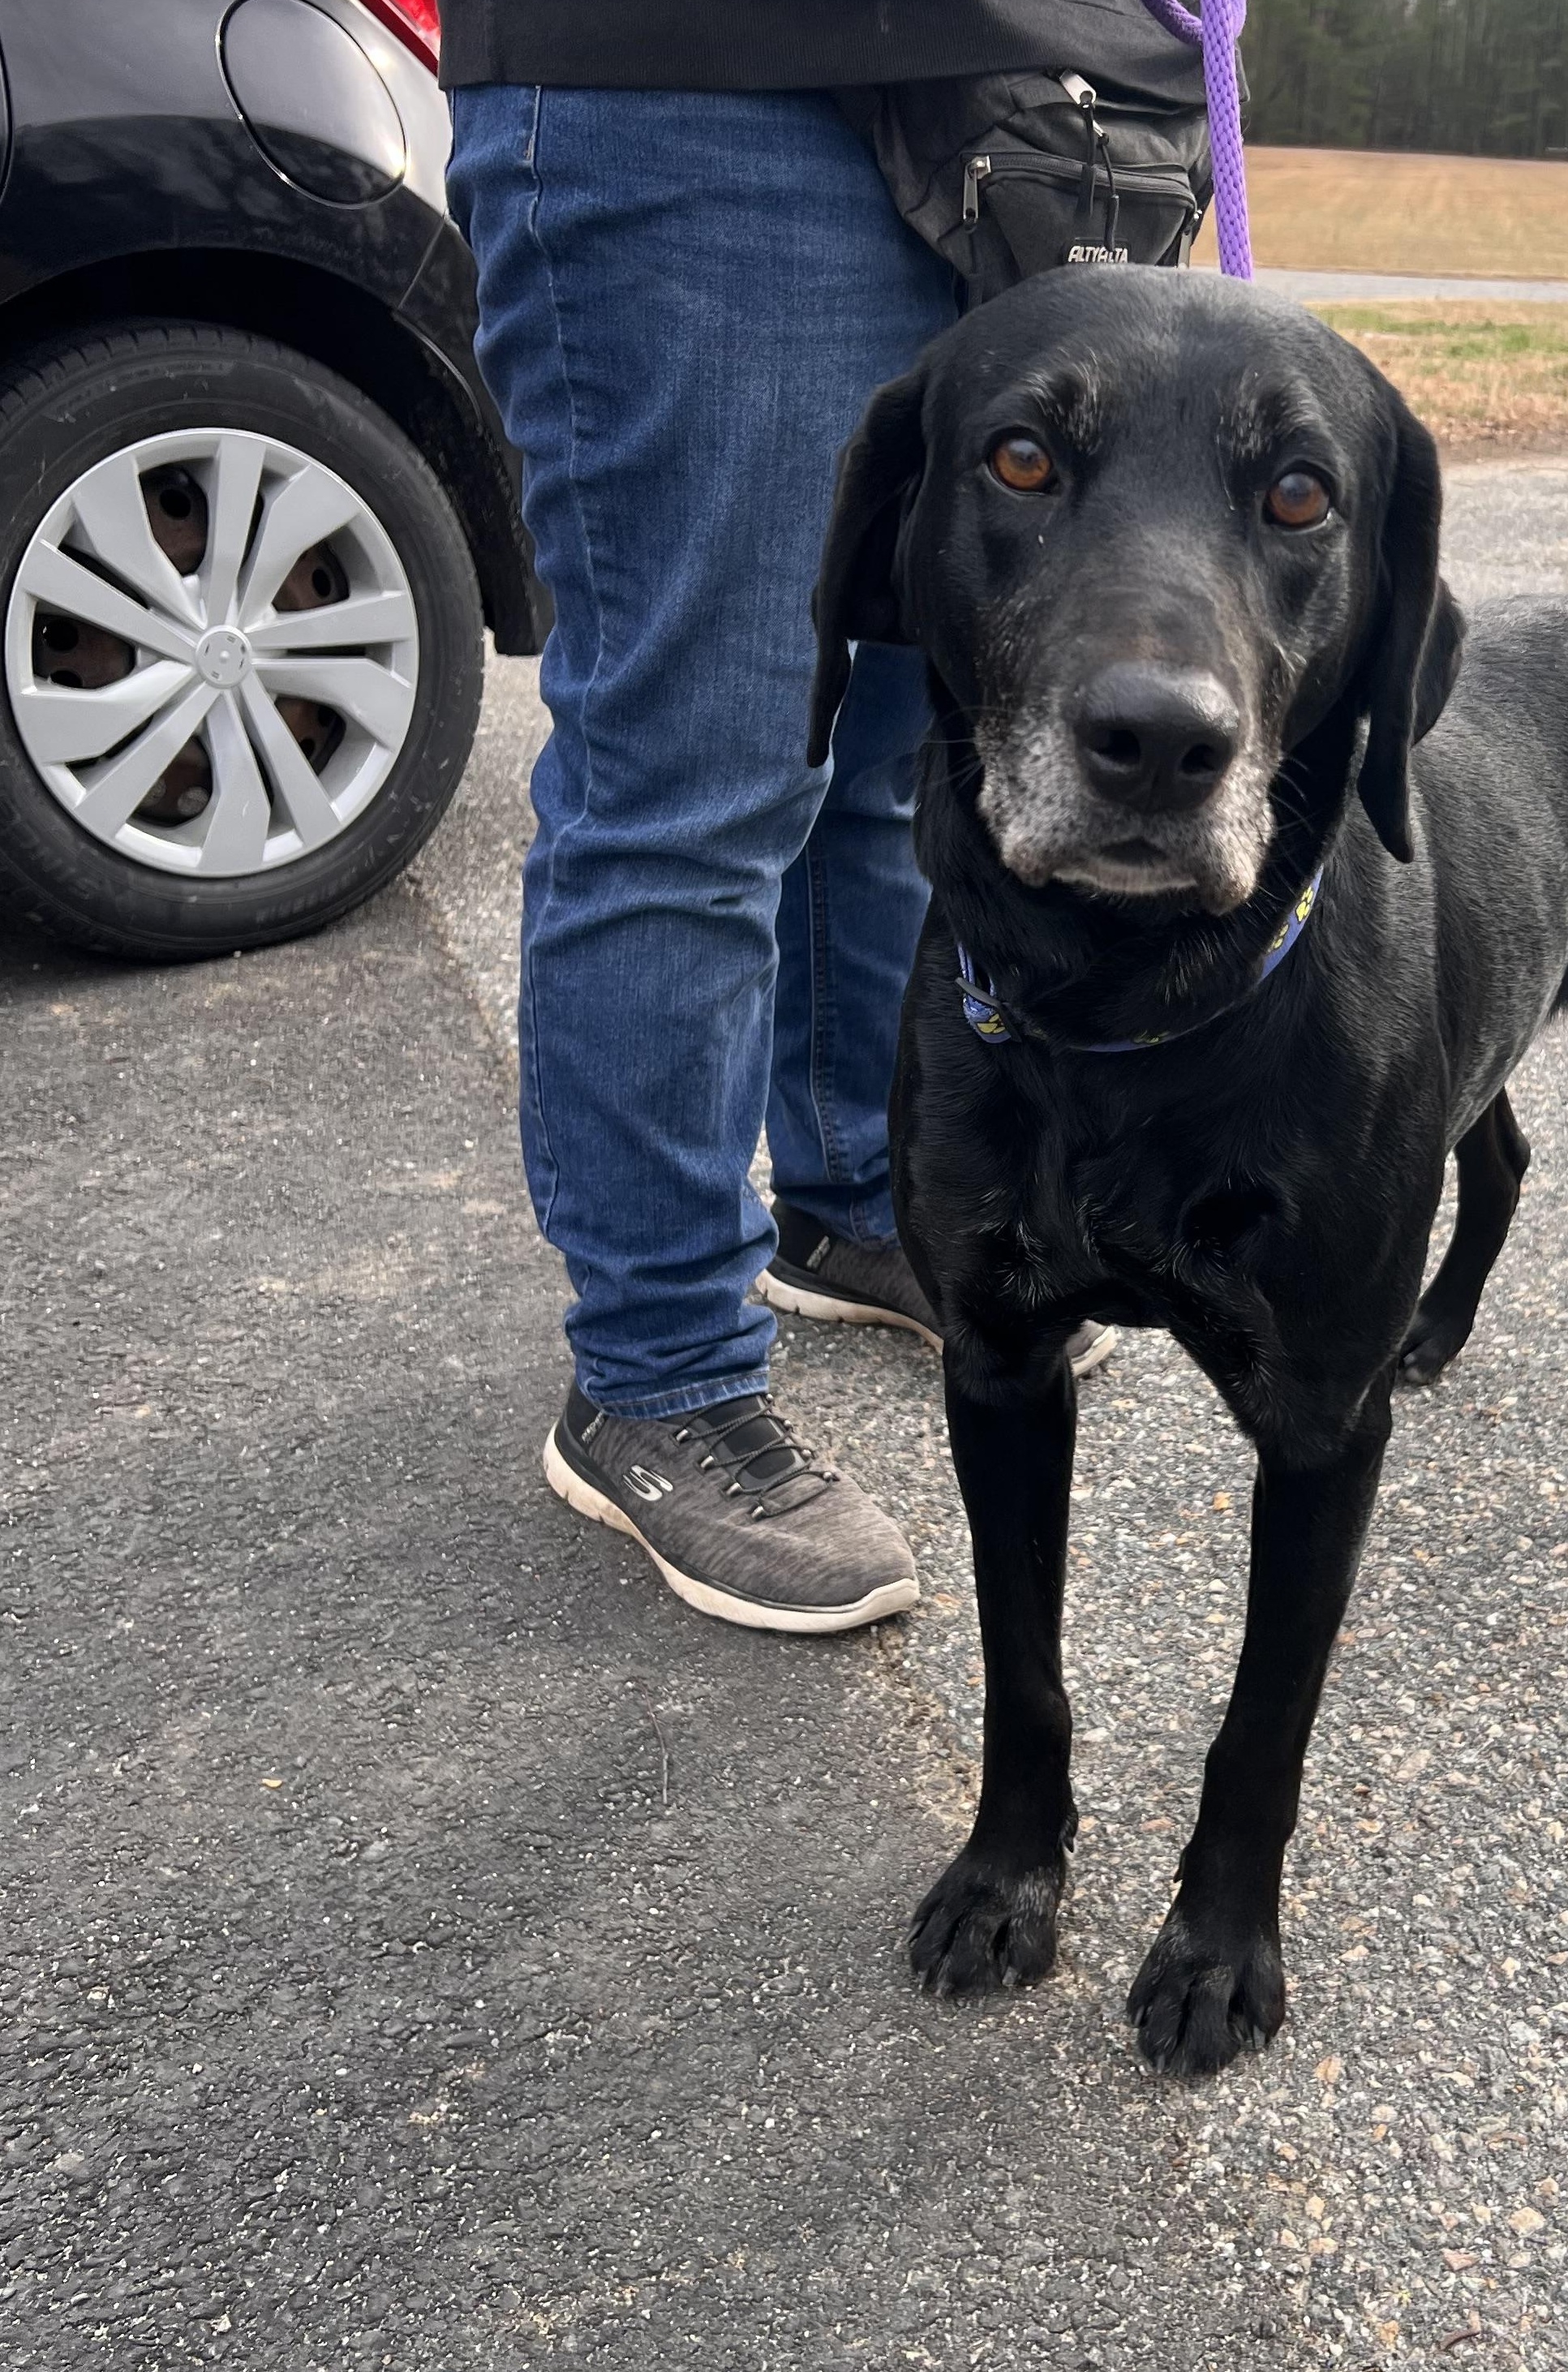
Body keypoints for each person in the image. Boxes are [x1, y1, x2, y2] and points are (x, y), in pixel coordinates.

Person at [440, 3, 1192, 1633]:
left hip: (1015, 96)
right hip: (704, 89)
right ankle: (654, 1379)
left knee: (874, 748)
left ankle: (857, 1205)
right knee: (696, 778)